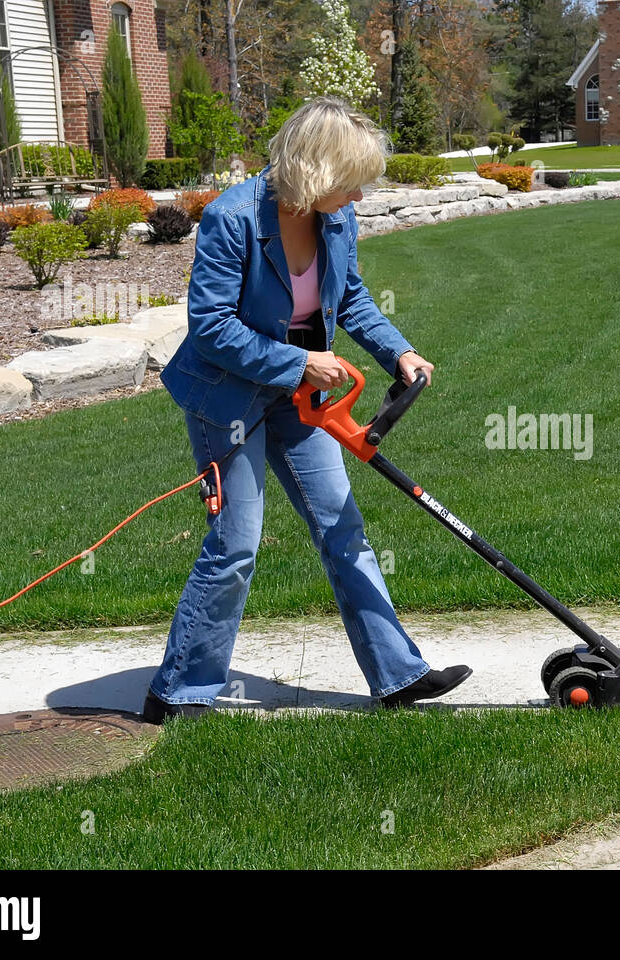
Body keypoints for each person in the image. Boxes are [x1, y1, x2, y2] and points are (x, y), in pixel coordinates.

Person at [143, 98, 472, 722]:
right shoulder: (232, 218)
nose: (358, 195)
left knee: (342, 526)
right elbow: (210, 327)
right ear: (316, 171)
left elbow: (349, 299)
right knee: (235, 543)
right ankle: (177, 693)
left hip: (304, 399)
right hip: (229, 397)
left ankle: (399, 676)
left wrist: (398, 353)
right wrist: (298, 363)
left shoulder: (335, 220)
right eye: (350, 181)